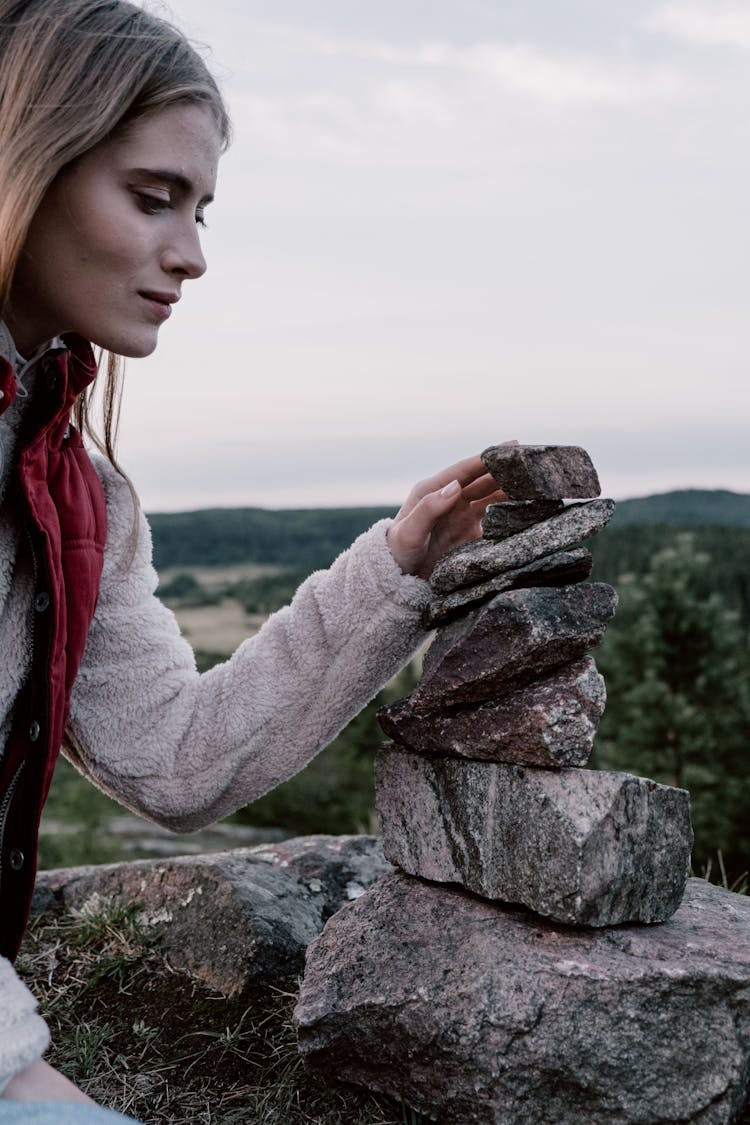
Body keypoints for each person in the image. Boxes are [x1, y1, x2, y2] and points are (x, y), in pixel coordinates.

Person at [0, 1, 506, 1119]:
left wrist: (396, 571)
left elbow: (173, 760)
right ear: (25, 163)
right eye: (151, 198)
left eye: (202, 211)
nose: (190, 255)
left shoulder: (81, 493)